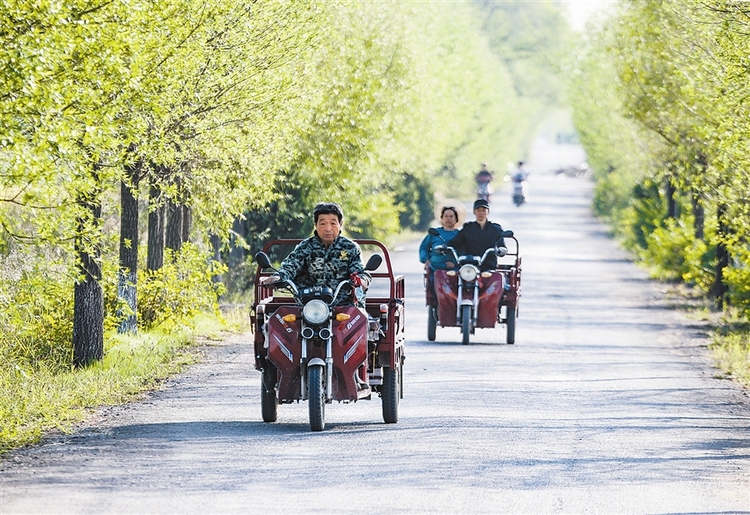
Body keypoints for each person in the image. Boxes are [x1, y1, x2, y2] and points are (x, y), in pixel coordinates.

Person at [261, 202, 371, 306]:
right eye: (323, 224)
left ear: (340, 224)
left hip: (344, 308)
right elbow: (290, 267)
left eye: (333, 223)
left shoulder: (350, 248)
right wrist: (278, 277)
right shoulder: (304, 247)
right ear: (315, 225)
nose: (328, 229)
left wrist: (361, 280)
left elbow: (360, 272)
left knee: (361, 322)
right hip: (308, 307)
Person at [448, 198, 506, 271]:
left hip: (488, 266)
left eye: (483, 210)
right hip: (469, 266)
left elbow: (501, 245)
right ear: (474, 212)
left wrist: (501, 250)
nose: (481, 213)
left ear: (488, 212)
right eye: (478, 210)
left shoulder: (496, 229)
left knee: (496, 280)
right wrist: (445, 247)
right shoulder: (467, 228)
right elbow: (454, 242)